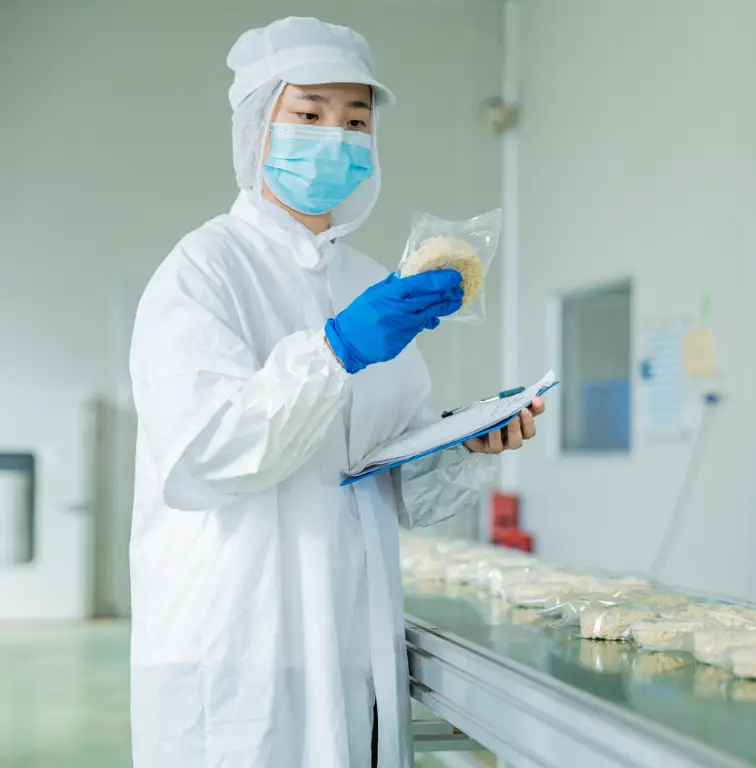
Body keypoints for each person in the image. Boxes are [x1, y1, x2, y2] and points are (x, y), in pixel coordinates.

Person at [127, 16, 543, 768]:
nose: (337, 137)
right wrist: (334, 350)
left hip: (351, 634)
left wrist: (465, 442)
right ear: (258, 127)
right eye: (310, 114)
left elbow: (385, 476)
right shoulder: (204, 271)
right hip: (240, 638)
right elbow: (213, 452)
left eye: (356, 121)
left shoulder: (366, 283)